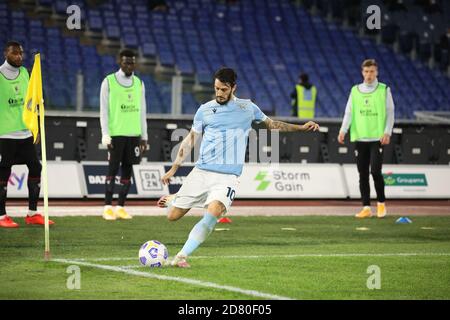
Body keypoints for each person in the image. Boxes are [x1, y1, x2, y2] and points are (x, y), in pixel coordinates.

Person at [157, 67, 319, 267]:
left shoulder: (247, 108)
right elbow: (189, 141)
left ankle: (182, 255)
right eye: (216, 89)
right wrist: (174, 168)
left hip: (228, 177)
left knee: (214, 212)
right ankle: (175, 199)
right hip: (202, 172)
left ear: (234, 87)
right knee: (172, 216)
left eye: (223, 89)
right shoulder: (204, 110)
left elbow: (272, 125)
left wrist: (301, 128)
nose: (219, 93)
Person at [0, 41, 55, 228]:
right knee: (3, 172)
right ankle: (1, 216)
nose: (19, 57)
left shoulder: (25, 73)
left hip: (25, 132)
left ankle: (32, 213)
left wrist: (36, 127)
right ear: (6, 53)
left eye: (21, 53)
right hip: (5, 134)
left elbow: (32, 103)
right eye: (15, 53)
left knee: (36, 168)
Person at [338, 59, 395, 219]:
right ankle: (366, 207)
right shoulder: (355, 90)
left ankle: (381, 205)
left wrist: (387, 132)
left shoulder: (384, 89)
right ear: (362, 72)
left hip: (377, 138)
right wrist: (343, 130)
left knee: (375, 171)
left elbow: (391, 113)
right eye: (366, 71)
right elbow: (349, 112)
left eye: (372, 71)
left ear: (376, 72)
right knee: (362, 174)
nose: (369, 75)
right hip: (360, 138)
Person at [100, 49, 148, 220]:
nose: (130, 65)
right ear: (120, 62)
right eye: (126, 62)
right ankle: (107, 207)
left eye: (132, 62)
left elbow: (142, 111)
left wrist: (144, 136)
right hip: (116, 134)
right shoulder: (109, 81)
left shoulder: (139, 83)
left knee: (127, 171)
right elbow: (103, 111)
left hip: (134, 135)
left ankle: (120, 206)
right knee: (112, 170)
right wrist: (105, 134)